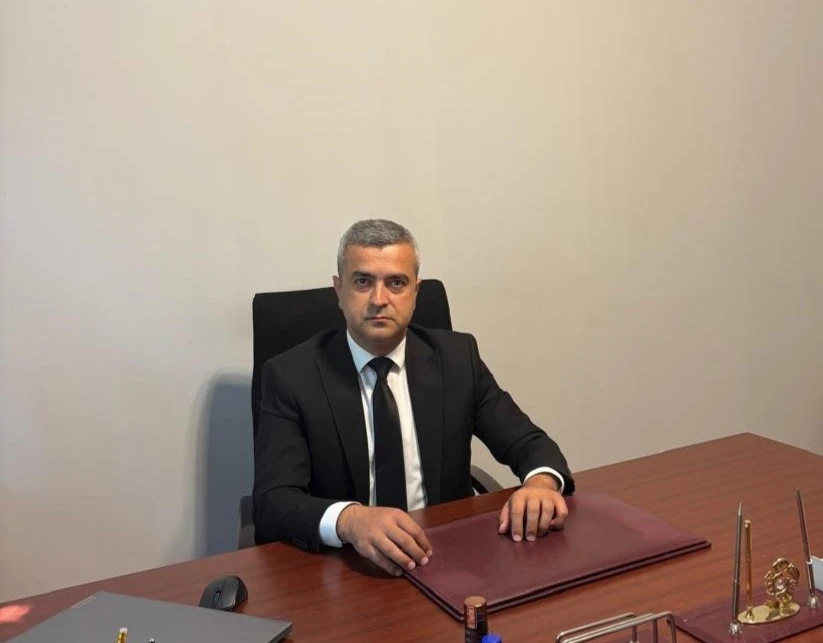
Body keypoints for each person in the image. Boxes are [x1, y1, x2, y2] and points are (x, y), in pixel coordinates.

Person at [253, 219, 574, 577]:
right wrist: (351, 519)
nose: (379, 299)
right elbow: (273, 501)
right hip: (348, 567)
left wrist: (540, 484)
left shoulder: (457, 359)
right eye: (362, 282)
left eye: (396, 283)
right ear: (339, 290)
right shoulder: (290, 376)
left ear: (415, 291)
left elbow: (529, 443)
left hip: (445, 557)